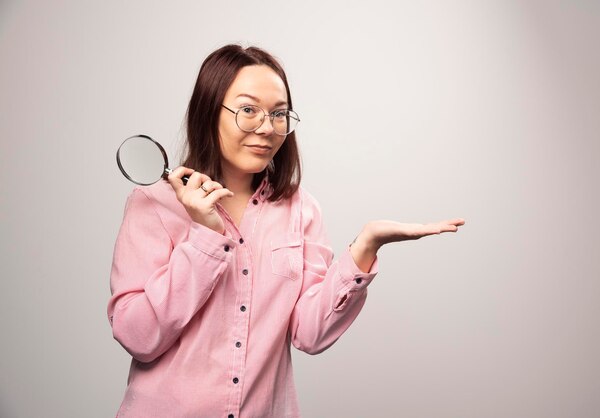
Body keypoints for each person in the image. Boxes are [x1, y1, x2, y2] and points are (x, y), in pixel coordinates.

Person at [107, 44, 465, 418]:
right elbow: (138, 337)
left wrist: (365, 247)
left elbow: (310, 335)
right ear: (209, 111)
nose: (267, 127)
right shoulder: (154, 204)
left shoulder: (301, 209)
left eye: (278, 114)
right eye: (248, 110)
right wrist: (204, 238)